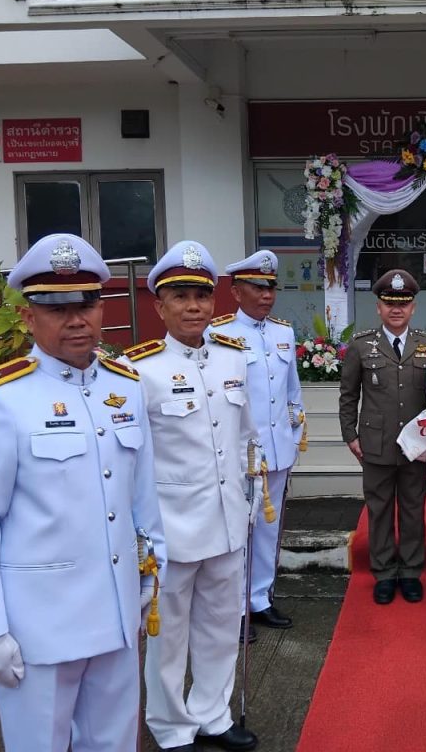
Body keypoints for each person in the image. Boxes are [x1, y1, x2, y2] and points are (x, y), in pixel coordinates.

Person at [0, 232, 166, 752]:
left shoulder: (125, 386)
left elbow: (141, 497)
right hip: (38, 629)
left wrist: (151, 575)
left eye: (86, 305)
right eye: (56, 308)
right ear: (28, 316)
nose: (76, 320)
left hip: (116, 615)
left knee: (115, 744)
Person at [123, 242, 258, 752]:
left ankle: (212, 714)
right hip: (172, 527)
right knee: (168, 635)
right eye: (180, 297)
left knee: (221, 626)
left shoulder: (233, 358)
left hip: (227, 520)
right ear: (159, 306)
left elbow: (244, 437)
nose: (193, 307)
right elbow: (132, 460)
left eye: (201, 296)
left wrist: (250, 497)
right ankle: (171, 726)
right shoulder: (140, 370)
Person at [206, 249, 304, 640]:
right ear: (236, 291)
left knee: (268, 529)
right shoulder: (219, 335)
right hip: (240, 454)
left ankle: (260, 598)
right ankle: (235, 607)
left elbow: (292, 391)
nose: (266, 295)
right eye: (257, 288)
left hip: (277, 450)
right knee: (238, 531)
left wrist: (293, 436)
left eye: (270, 288)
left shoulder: (283, 333)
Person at [338, 269, 426, 604]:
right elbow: (348, 395)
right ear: (378, 307)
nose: (396, 309)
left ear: (413, 308)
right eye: (390, 303)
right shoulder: (361, 346)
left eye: (403, 303)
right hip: (375, 443)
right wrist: (350, 435)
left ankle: (410, 572)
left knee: (413, 510)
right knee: (379, 511)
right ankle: (383, 573)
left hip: (415, 444)